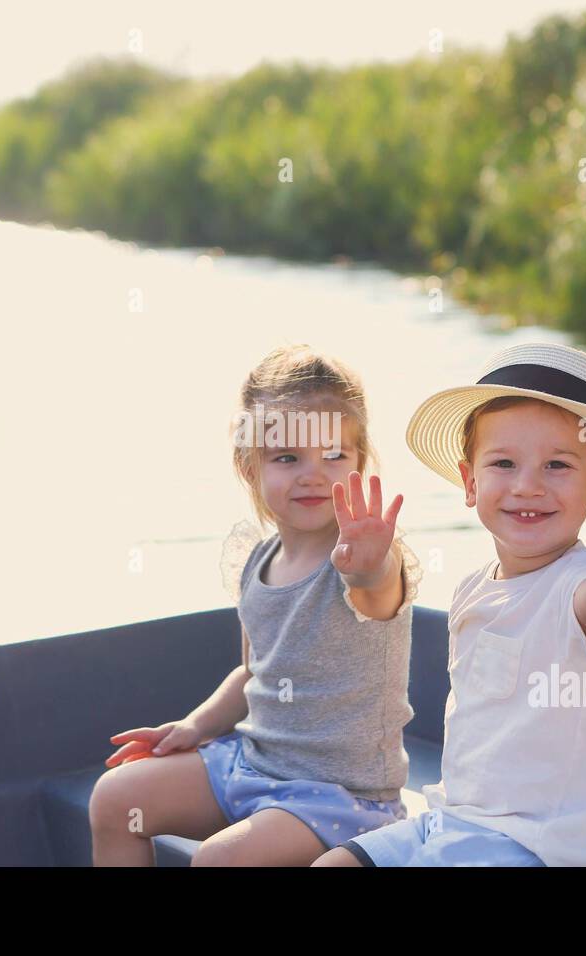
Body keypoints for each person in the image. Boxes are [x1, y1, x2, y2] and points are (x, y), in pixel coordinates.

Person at [314, 340, 586, 867]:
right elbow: (379, 608)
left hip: (546, 847)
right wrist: (370, 571)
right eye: (504, 463)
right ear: (469, 481)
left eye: (557, 465)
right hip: (456, 819)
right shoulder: (473, 587)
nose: (527, 486)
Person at [89, 344, 421, 865]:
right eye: (287, 458)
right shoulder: (257, 559)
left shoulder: (367, 558)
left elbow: (375, 591)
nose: (312, 474)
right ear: (250, 467)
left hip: (338, 796)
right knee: (114, 798)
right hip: (249, 765)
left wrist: (369, 564)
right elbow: (251, 672)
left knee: (219, 861)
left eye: (333, 455)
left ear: (361, 460)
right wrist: (195, 726)